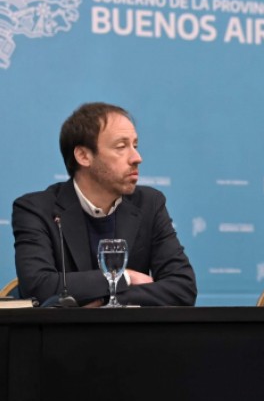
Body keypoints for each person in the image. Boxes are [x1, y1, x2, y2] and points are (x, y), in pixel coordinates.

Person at [12, 102, 197, 307]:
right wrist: (125, 277)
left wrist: (107, 300)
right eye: (121, 147)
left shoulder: (149, 204)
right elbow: (39, 287)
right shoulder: (36, 210)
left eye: (135, 146)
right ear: (84, 156)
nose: (137, 158)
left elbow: (183, 288)